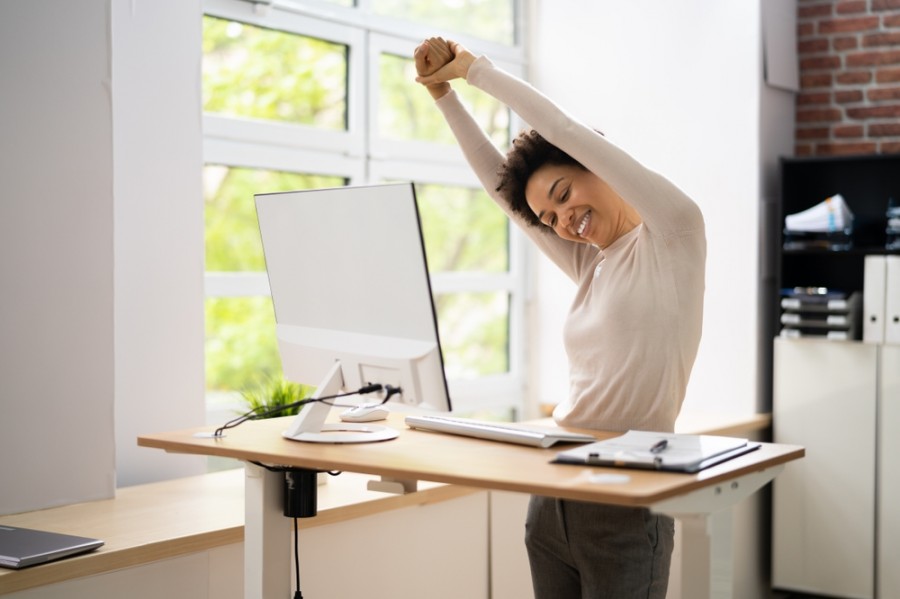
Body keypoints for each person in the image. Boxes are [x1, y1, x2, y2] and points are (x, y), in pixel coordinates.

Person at [413, 37, 706, 598]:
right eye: (550, 217)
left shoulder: (674, 232)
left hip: (626, 499)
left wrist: (476, 71)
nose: (564, 221)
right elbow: (504, 196)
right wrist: (442, 95)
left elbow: (564, 129)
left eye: (564, 193)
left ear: (592, 162)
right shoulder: (590, 263)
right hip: (551, 499)